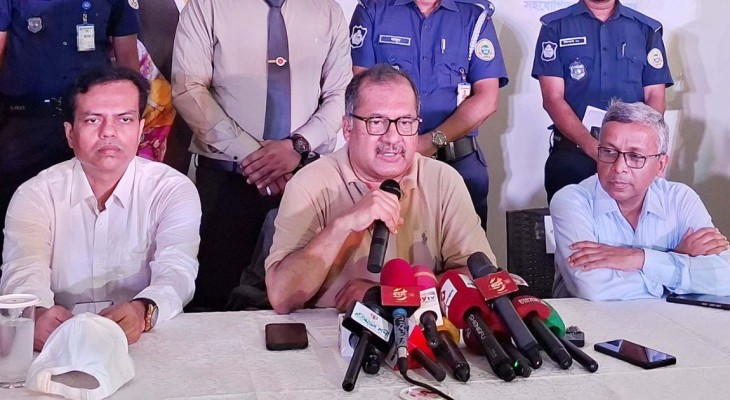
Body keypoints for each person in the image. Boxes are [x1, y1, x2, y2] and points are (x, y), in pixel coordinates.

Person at [265, 64, 498, 313]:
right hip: (332, 332)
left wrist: (387, 295)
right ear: (348, 128)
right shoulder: (310, 183)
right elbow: (282, 297)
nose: (392, 137)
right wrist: (343, 225)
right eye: (376, 122)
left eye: (405, 122)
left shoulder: (443, 180)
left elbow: (482, 277)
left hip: (422, 329)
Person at [0, 66, 201, 350]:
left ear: (140, 130)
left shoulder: (172, 190)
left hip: (144, 340)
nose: (109, 132)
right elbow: (23, 270)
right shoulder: (35, 194)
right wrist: (36, 314)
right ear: (70, 133)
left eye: (124, 119)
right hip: (57, 343)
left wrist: (144, 310)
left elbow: (177, 270)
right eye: (93, 120)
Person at [172, 0, 352, 311]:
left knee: (296, 303)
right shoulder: (207, 5)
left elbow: (341, 94)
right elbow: (188, 88)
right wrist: (254, 155)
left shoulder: (327, 10)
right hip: (227, 180)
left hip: (303, 182)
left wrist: (297, 146)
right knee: (213, 300)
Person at [0, 0, 140, 267]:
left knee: (89, 223)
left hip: (93, 126)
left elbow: (128, 66)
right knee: (17, 223)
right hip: (28, 125)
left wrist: (129, 122)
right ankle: (23, 292)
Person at [350, 0, 508, 229]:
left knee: (467, 248)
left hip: (457, 161)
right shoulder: (373, 9)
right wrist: (402, 144)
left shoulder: (473, 16)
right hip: (388, 163)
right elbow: (362, 93)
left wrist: (431, 141)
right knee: (388, 248)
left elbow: (487, 99)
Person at [550, 100, 730, 301]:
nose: (619, 167)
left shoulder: (680, 199)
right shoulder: (571, 201)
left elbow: (725, 277)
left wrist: (639, 258)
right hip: (589, 320)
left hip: (669, 319)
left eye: (635, 156)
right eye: (609, 152)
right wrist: (675, 259)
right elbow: (592, 288)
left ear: (660, 165)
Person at [531, 0, 673, 203]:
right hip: (574, 153)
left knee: (632, 221)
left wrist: (640, 147)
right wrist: (594, 147)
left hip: (630, 159)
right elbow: (552, 98)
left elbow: (655, 96)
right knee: (570, 220)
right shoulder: (555, 26)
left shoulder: (647, 29)